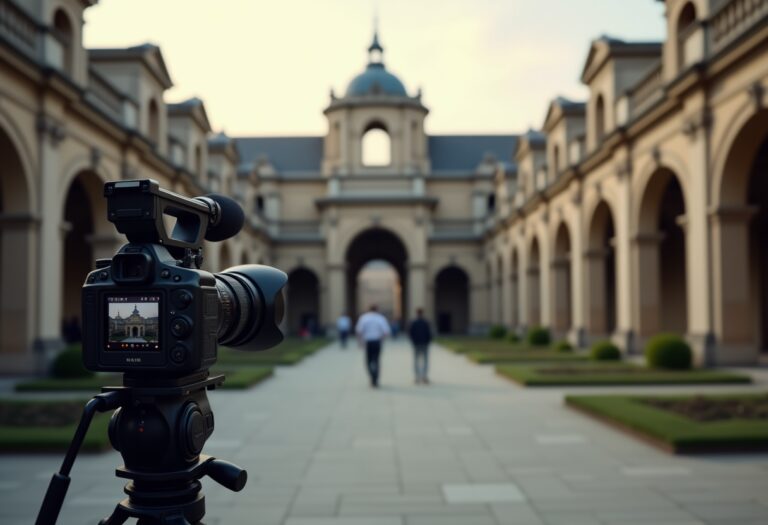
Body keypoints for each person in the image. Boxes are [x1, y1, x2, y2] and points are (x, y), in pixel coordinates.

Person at [355, 305, 391, 388]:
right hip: (377, 341)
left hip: (368, 342)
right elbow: (386, 332)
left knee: (368, 360)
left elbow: (359, 331)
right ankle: (375, 378)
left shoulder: (364, 318)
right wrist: (382, 340)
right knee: (377, 360)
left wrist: (360, 342)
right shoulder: (381, 318)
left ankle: (372, 375)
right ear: (377, 309)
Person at [409, 308, 432, 384]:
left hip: (416, 344)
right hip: (424, 343)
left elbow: (410, 333)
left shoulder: (413, 322)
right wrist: (428, 341)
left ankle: (417, 377)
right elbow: (429, 333)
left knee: (416, 361)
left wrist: (413, 341)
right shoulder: (426, 322)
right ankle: (424, 377)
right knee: (425, 361)